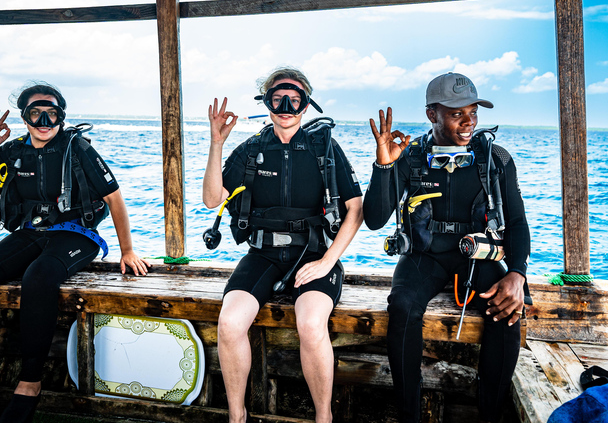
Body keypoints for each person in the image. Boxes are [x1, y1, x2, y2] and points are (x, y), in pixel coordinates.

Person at [0, 81, 149, 423]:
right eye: (35, 112)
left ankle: (30, 383)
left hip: (78, 234)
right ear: (24, 116)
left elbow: (114, 198)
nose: (44, 119)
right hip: (31, 232)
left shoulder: (77, 149)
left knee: (39, 277)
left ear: (61, 115)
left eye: (52, 112)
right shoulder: (13, 151)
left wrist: (127, 251)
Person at [363, 72, 530, 423]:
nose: (469, 122)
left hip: (478, 258)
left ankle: (490, 414)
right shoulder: (409, 157)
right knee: (403, 306)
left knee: (508, 312)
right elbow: (376, 219)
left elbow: (515, 223)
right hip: (425, 258)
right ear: (432, 115)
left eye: (473, 112)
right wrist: (384, 165)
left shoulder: (494, 159)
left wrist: (517, 274)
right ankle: (408, 415)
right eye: (457, 114)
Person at [203, 67, 364, 423]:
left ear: (307, 106)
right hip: (263, 254)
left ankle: (324, 417)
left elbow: (355, 210)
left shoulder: (324, 148)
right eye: (278, 99)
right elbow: (212, 199)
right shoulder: (253, 149)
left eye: (295, 99)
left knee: (310, 324)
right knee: (229, 324)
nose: (287, 106)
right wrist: (217, 143)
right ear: (267, 103)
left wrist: (328, 262)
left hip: (315, 255)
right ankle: (237, 416)